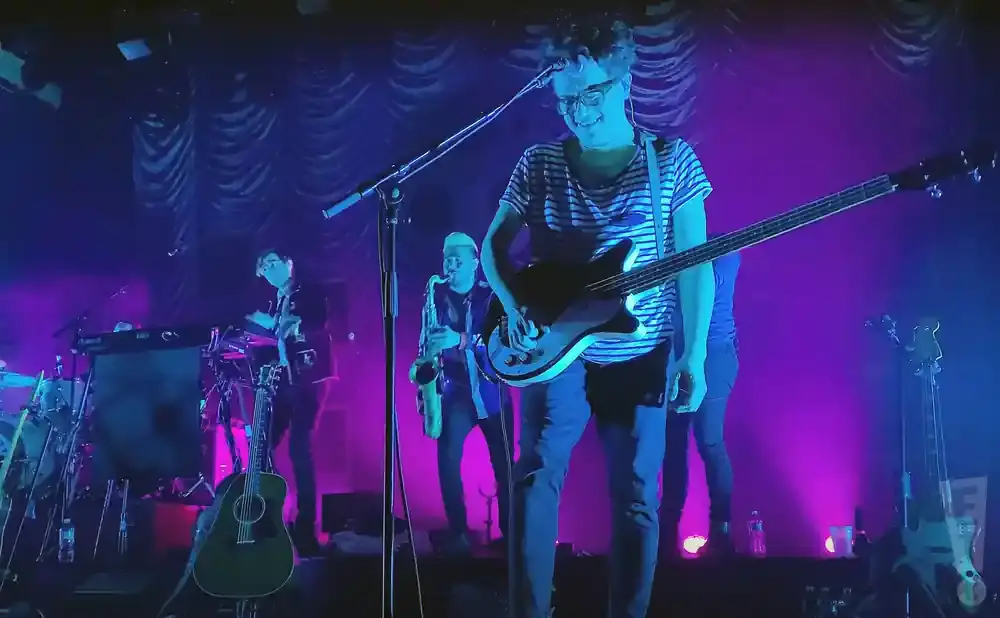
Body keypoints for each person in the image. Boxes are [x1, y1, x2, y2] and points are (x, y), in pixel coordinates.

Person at [480, 17, 715, 618]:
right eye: (565, 101)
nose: (577, 113)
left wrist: (694, 354)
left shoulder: (672, 160)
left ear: (624, 81)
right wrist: (513, 306)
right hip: (553, 348)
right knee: (535, 477)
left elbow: (696, 266)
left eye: (590, 95)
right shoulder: (539, 162)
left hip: (638, 352)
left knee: (636, 492)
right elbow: (493, 246)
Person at [419, 232, 514, 554]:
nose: (451, 265)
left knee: (504, 466)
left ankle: (510, 536)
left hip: (491, 389)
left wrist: (459, 340)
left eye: (458, 260)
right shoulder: (436, 296)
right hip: (455, 391)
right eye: (447, 259)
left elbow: (502, 338)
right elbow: (427, 342)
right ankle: (459, 532)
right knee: (447, 461)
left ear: (475, 262)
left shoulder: (491, 295)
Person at [661, 244, 741, 557]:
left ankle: (718, 532)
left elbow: (701, 282)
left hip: (712, 355)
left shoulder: (724, 252)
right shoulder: (716, 250)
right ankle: (670, 532)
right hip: (685, 354)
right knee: (681, 445)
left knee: (705, 443)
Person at [247, 249, 328, 556]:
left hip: (311, 377)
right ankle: (270, 515)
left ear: (288, 264)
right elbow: (274, 336)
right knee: (263, 443)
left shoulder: (309, 289)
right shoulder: (274, 301)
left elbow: (318, 321)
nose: (269, 271)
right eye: (264, 268)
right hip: (284, 380)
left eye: (273, 264)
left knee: (299, 448)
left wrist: (282, 323)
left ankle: (306, 526)